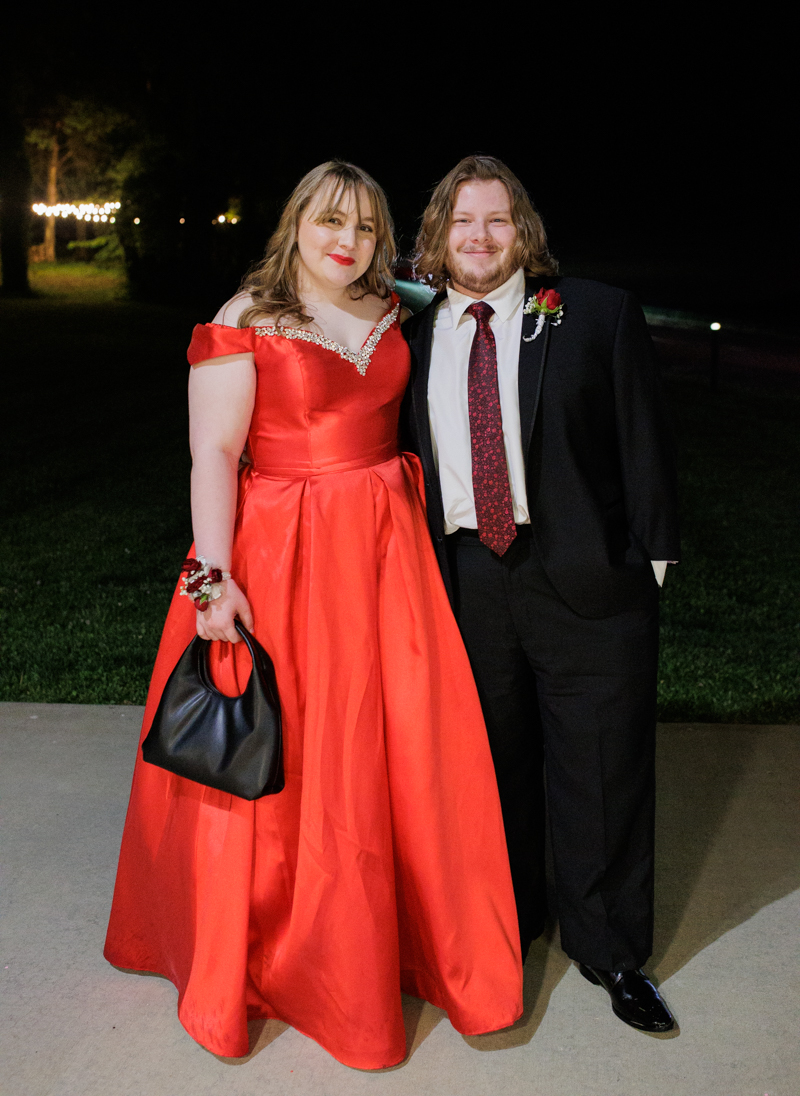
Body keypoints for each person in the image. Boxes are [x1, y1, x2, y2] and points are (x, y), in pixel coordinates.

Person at [104, 161, 523, 1069]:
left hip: (386, 557)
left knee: (395, 747)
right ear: (296, 222)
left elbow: (462, 326)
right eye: (332, 221)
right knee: (293, 749)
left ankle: (402, 942)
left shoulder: (393, 306)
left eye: (367, 228)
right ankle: (280, 958)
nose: (349, 241)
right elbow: (213, 455)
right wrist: (212, 583)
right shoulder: (245, 316)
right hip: (282, 557)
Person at [402, 155, 680, 1034]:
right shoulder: (408, 335)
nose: (479, 236)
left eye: (496, 219)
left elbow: (645, 439)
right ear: (437, 236)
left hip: (588, 577)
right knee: (492, 770)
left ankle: (610, 950)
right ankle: (509, 924)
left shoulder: (593, 313)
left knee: (600, 770)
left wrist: (650, 563)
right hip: (466, 582)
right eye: (461, 221)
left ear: (523, 231)